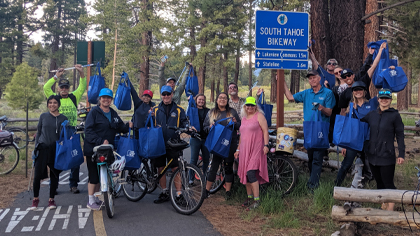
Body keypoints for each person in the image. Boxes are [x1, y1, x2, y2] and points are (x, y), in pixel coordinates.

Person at [284, 70, 335, 190]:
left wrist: (321, 108)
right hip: (309, 128)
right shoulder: (307, 93)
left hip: (321, 128)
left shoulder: (327, 93)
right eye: (310, 78)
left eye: (314, 78)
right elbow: (290, 97)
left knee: (317, 157)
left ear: (319, 79)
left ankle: (312, 185)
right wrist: (282, 82)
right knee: (311, 156)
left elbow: (329, 112)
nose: (311, 80)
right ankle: (314, 178)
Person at [84, 88, 130, 210]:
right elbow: (88, 131)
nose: (106, 100)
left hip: (107, 149)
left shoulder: (113, 113)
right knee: (93, 176)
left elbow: (120, 126)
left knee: (102, 174)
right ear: (100, 99)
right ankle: (90, 200)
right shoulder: (93, 113)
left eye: (108, 98)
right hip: (93, 149)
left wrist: (128, 126)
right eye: (104, 97)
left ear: (111, 100)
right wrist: (100, 141)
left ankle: (98, 198)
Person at [43, 64, 86, 194]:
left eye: (66, 87)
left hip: (71, 130)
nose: (64, 89)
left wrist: (81, 73)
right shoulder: (55, 99)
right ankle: (53, 185)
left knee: (75, 156)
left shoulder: (74, 97)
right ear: (59, 88)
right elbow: (45, 87)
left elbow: (82, 86)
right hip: (58, 132)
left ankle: (73, 184)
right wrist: (56, 76)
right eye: (62, 87)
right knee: (56, 157)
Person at [361, 88, 405, 211]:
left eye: (387, 98)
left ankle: (390, 211)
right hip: (373, 155)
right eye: (382, 98)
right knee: (379, 183)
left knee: (388, 183)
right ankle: (383, 206)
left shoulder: (395, 115)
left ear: (390, 100)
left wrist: (401, 154)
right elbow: (358, 122)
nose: (384, 100)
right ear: (378, 99)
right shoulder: (372, 114)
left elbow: (400, 135)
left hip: (387, 155)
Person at [334, 81, 379, 186]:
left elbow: (385, 91)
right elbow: (347, 127)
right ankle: (337, 185)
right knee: (346, 163)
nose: (358, 92)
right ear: (353, 92)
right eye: (355, 90)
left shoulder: (371, 103)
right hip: (353, 140)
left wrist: (388, 71)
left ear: (364, 91)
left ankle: (368, 184)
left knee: (370, 163)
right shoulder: (350, 107)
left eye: (360, 89)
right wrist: (344, 145)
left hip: (368, 138)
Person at [151, 85, 189, 204]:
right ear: (161, 95)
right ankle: (164, 192)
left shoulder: (179, 109)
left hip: (173, 143)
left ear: (172, 94)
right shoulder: (155, 109)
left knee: (175, 168)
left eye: (168, 94)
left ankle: (179, 194)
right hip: (159, 143)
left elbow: (185, 123)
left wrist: (187, 128)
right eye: (164, 94)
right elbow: (150, 124)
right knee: (161, 168)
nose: (166, 96)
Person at [30, 95, 68, 210]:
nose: (52, 104)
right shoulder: (43, 116)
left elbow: (65, 136)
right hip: (42, 148)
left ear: (58, 104)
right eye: (50, 102)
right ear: (47, 104)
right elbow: (39, 132)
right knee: (37, 176)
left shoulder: (63, 118)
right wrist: (35, 148)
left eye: (55, 102)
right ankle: (35, 199)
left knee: (54, 175)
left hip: (55, 150)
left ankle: (51, 199)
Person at [234, 97, 269, 210]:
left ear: (255, 106)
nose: (250, 107)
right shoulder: (243, 119)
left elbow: (265, 131)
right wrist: (238, 149)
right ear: (245, 107)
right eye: (247, 105)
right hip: (244, 149)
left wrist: (266, 145)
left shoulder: (259, 116)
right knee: (245, 174)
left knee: (251, 173)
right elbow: (241, 136)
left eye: (252, 105)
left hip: (256, 148)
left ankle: (256, 200)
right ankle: (249, 197)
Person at [204, 92, 241, 199]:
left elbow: (239, 126)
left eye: (225, 98)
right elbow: (205, 127)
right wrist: (210, 127)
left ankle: (228, 192)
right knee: (214, 166)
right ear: (217, 100)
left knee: (228, 166)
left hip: (229, 143)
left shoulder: (232, 112)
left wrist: (235, 122)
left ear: (227, 100)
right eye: (220, 98)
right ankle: (207, 190)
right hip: (216, 144)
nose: (222, 99)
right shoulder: (212, 112)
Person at [338, 43, 386, 115]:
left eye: (349, 75)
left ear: (353, 75)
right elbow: (343, 111)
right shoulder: (344, 94)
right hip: (354, 121)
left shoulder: (362, 82)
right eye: (344, 77)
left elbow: (373, 67)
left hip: (368, 114)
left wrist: (380, 51)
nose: (347, 78)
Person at [188, 94, 210, 185]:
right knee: (193, 159)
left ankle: (204, 177)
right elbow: (187, 120)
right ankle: (190, 179)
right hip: (195, 138)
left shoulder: (208, 111)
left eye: (203, 100)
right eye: (199, 99)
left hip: (206, 138)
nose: (201, 101)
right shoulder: (192, 110)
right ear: (196, 100)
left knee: (206, 159)